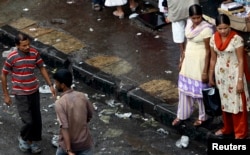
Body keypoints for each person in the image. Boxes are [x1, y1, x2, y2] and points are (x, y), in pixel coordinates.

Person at [1, 33, 56, 153]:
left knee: (36, 119)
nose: (27, 47)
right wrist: (6, 94)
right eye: (24, 45)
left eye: (28, 45)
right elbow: (3, 75)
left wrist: (50, 85)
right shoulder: (12, 57)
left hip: (34, 90)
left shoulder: (34, 53)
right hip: (21, 93)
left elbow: (41, 67)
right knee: (28, 121)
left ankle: (32, 141)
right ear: (17, 45)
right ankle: (23, 137)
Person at [209, 14, 250, 139]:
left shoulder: (237, 39)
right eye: (220, 28)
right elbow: (213, 58)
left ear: (229, 26)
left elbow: (241, 60)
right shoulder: (213, 39)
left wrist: (239, 81)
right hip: (221, 75)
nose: (223, 31)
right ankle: (227, 128)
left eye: (225, 28)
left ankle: (240, 133)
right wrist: (211, 75)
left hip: (234, 73)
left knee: (237, 103)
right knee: (225, 102)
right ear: (216, 27)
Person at [172, 4, 214, 126]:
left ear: (201, 16)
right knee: (184, 90)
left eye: (198, 17)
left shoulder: (206, 29)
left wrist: (206, 71)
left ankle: (203, 116)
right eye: (194, 18)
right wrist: (182, 60)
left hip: (200, 61)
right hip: (188, 59)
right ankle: (182, 115)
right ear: (190, 17)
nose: (196, 20)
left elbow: (208, 51)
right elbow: (186, 43)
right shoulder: (189, 24)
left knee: (200, 92)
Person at [53, 69, 94, 155]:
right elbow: (90, 115)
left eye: (56, 83)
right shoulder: (82, 96)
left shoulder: (60, 103)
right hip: (85, 143)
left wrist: (68, 150)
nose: (55, 85)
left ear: (63, 85)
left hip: (68, 145)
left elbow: (64, 128)